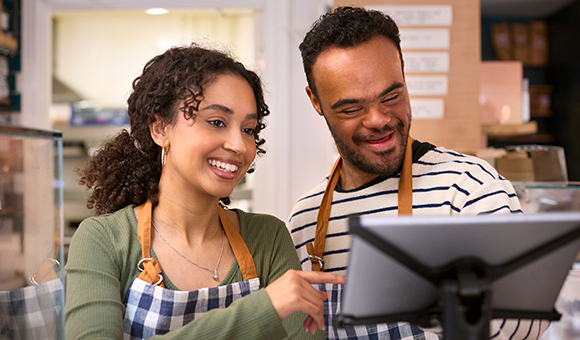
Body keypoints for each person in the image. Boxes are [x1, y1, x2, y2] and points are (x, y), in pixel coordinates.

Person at [288, 6, 549, 340]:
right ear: (316, 102)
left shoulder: (470, 189)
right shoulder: (304, 220)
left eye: (391, 96)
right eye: (351, 108)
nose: (378, 119)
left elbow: (526, 325)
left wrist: (440, 305)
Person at [65, 44, 344, 340]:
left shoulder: (268, 238)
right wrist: (262, 310)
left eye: (248, 129)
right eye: (216, 122)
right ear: (160, 128)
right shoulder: (104, 240)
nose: (239, 145)